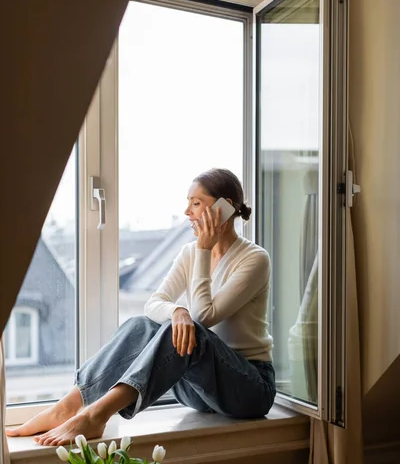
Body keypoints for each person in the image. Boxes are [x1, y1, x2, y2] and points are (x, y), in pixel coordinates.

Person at [6, 168, 275, 446]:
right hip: (199, 389)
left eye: (196, 203)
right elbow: (153, 304)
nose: (187, 212)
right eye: (188, 202)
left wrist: (204, 250)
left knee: (187, 329)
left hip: (248, 387)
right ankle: (66, 407)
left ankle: (97, 415)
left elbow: (204, 317)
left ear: (225, 208)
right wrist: (177, 311)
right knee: (142, 325)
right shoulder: (189, 253)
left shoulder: (254, 259)